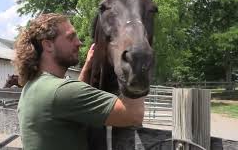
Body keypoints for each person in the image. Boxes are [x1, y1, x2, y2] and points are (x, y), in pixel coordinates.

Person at [13, 13, 146, 150]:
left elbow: (71, 99)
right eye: (71, 37)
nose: (79, 43)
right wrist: (133, 56)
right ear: (48, 45)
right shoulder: (60, 92)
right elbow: (133, 114)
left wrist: (87, 67)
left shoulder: (32, 87)